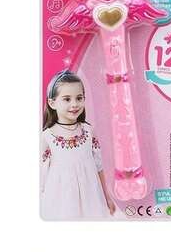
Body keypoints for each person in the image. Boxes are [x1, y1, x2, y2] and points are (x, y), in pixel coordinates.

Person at [40, 70, 116, 220]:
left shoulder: (88, 131)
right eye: (67, 99)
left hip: (91, 196)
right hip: (61, 199)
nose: (74, 104)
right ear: (52, 103)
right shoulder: (47, 137)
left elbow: (99, 166)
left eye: (79, 98)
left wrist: (107, 196)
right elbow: (41, 174)